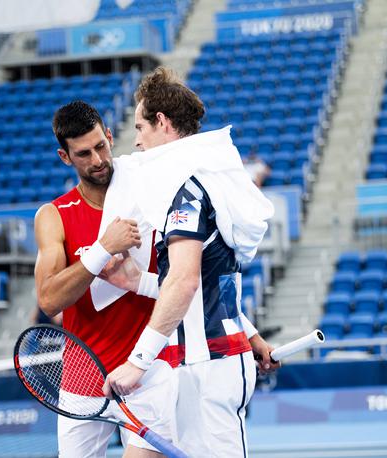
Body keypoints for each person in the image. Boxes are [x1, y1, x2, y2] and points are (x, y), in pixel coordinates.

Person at [102, 67, 279, 457]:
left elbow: (184, 283)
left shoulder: (188, 192)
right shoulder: (201, 181)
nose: (136, 140)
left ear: (162, 123)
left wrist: (136, 362)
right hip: (185, 366)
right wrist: (139, 282)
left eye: (140, 127)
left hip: (207, 367)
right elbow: (204, 280)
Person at [33, 100, 177, 458]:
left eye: (101, 146)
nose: (97, 160)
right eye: (83, 154)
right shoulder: (53, 216)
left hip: (147, 369)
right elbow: (49, 300)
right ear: (65, 158)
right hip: (83, 377)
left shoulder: (151, 193)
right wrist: (101, 249)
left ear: (110, 136)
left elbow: (190, 280)